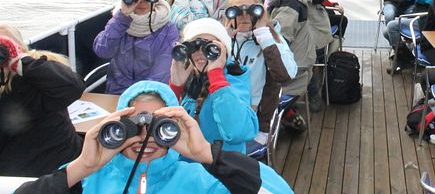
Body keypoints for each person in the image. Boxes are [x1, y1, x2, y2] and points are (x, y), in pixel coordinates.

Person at [14, 80, 294, 194]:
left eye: (161, 127)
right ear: (115, 128)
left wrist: (208, 155)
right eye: (132, 127)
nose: (144, 140)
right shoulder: (88, 179)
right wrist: (83, 166)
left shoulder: (202, 182)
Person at [0, 24, 84, 177]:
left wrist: (19, 63)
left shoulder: (39, 77)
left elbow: (73, 87)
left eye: (3, 48)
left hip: (55, 167)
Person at [169, 18, 259, 153]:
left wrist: (217, 78)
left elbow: (238, 131)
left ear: (223, 51)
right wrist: (175, 88)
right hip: (187, 165)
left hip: (221, 166)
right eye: (193, 46)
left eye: (208, 47)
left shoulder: (235, 78)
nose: (200, 52)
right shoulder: (191, 80)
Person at [223, 0, 297, 148]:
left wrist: (263, 35)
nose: (244, 15)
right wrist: (223, 41)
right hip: (226, 113)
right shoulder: (223, 41)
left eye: (250, 10)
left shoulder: (271, 38)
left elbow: (287, 75)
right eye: (237, 11)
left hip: (257, 120)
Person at [93, 0, 179, 94]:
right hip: (117, 91)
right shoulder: (119, 23)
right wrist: (122, 17)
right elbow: (103, 51)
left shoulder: (168, 29)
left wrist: (138, 98)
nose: (141, 2)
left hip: (151, 94)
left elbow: (161, 72)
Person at [263, 0, 314, 133]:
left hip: (292, 74)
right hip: (292, 65)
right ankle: (288, 115)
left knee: (243, 88)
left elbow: (276, 41)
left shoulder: (290, 6)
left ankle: (260, 135)